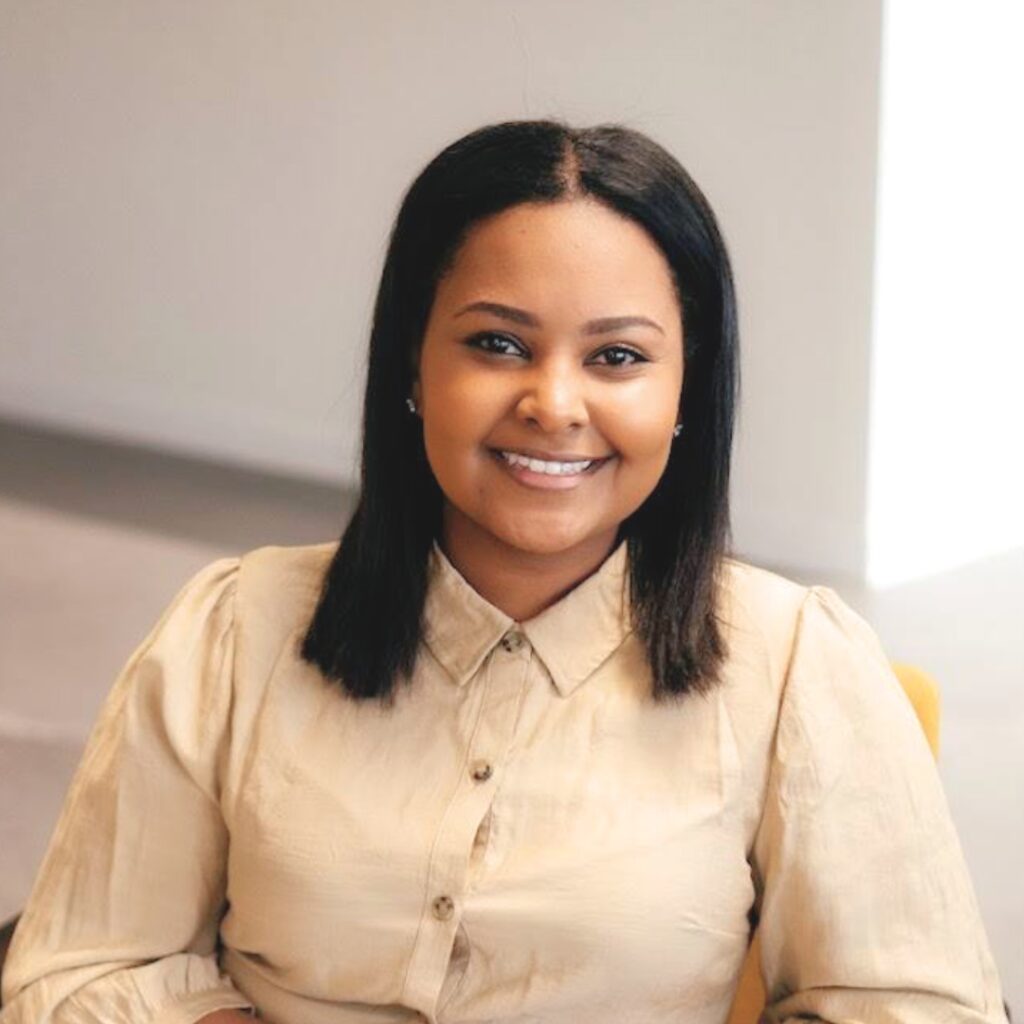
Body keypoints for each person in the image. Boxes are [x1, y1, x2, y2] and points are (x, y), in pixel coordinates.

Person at [0, 121, 1010, 1024]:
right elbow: (76, 971)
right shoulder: (232, 627)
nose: (553, 404)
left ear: (685, 391)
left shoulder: (797, 667)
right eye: (496, 343)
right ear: (412, 365)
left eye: (617, 358)